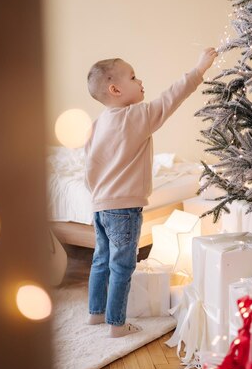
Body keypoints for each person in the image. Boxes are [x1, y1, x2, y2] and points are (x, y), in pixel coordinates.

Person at [85, 47, 218, 337]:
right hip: (124, 208)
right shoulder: (138, 116)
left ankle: (96, 313)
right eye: (133, 77)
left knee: (101, 259)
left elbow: (89, 165)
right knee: (122, 266)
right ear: (116, 88)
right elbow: (173, 97)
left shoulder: (98, 123)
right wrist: (199, 70)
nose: (140, 80)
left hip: (99, 206)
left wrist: (97, 196)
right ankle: (117, 324)